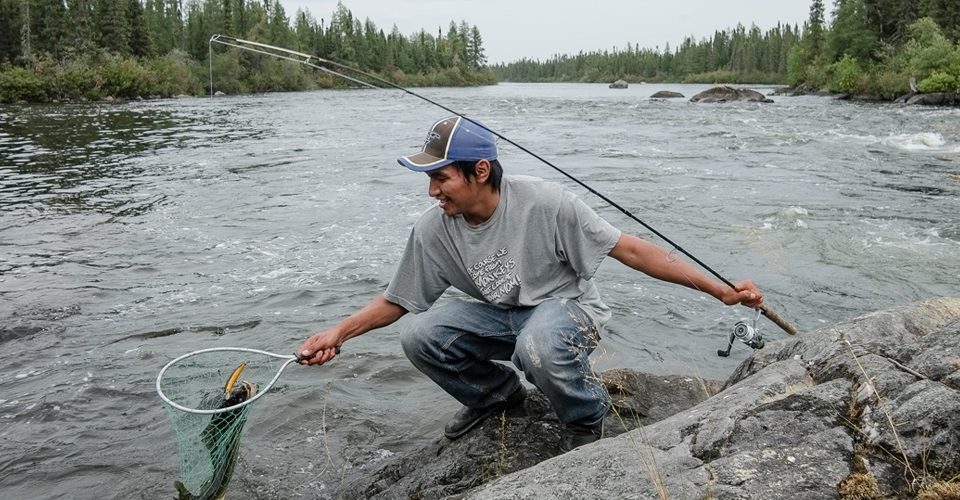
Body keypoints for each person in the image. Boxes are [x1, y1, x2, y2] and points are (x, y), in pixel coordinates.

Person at [298, 115, 764, 450]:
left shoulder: (546, 202)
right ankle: (497, 398)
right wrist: (339, 333)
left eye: (440, 178)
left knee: (538, 344)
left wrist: (719, 291)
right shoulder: (433, 228)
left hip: (568, 310)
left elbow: (632, 250)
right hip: (503, 317)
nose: (431, 190)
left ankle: (587, 420)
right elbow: (398, 300)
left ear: (480, 170)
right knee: (419, 336)